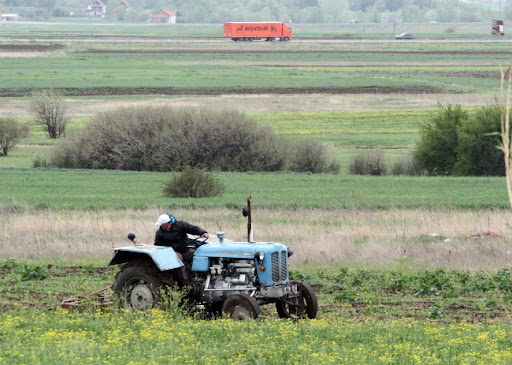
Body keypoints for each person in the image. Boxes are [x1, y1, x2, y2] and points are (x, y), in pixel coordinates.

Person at [154, 213, 209, 286]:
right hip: (173, 252)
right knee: (178, 261)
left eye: (161, 224)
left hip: (185, 250)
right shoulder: (159, 233)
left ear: (167, 223)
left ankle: (202, 277)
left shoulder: (180, 225)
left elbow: (192, 228)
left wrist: (203, 232)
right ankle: (186, 284)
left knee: (199, 256)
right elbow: (157, 246)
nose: (160, 226)